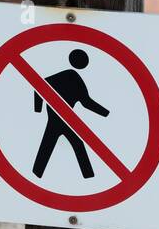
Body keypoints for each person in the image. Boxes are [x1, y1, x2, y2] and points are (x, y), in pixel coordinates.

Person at [31, 49, 109, 179]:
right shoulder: (70, 76)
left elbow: (86, 102)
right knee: (72, 144)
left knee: (57, 144)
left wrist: (106, 113)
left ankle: (36, 174)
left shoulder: (75, 79)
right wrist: (37, 109)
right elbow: (39, 86)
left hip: (67, 120)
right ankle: (88, 175)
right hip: (59, 119)